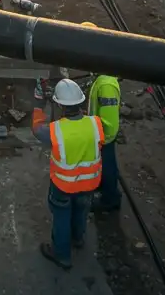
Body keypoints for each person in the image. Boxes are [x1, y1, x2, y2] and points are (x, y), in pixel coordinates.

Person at [32, 78, 105, 270]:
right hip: (89, 183)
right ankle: (78, 239)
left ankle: (62, 255)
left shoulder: (55, 130)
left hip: (64, 185)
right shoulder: (95, 124)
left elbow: (37, 128)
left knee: (62, 217)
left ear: (59, 105)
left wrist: (39, 103)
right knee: (81, 210)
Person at [84, 21, 122, 213]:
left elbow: (110, 122)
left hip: (104, 137)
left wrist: (100, 137)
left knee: (108, 166)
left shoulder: (106, 84)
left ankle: (110, 199)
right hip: (99, 134)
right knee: (103, 165)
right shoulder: (100, 74)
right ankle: (103, 186)